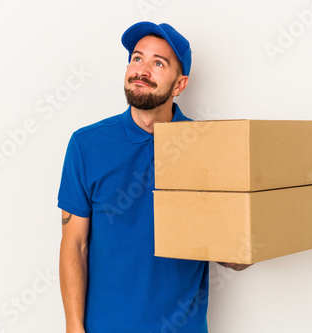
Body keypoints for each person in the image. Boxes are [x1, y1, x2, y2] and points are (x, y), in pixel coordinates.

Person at [58, 21, 249, 333]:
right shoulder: (87, 144)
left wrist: (239, 254)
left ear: (180, 85)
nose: (142, 70)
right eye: (137, 58)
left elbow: (224, 242)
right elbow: (74, 243)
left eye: (158, 63)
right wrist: (73, 326)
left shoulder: (208, 145)